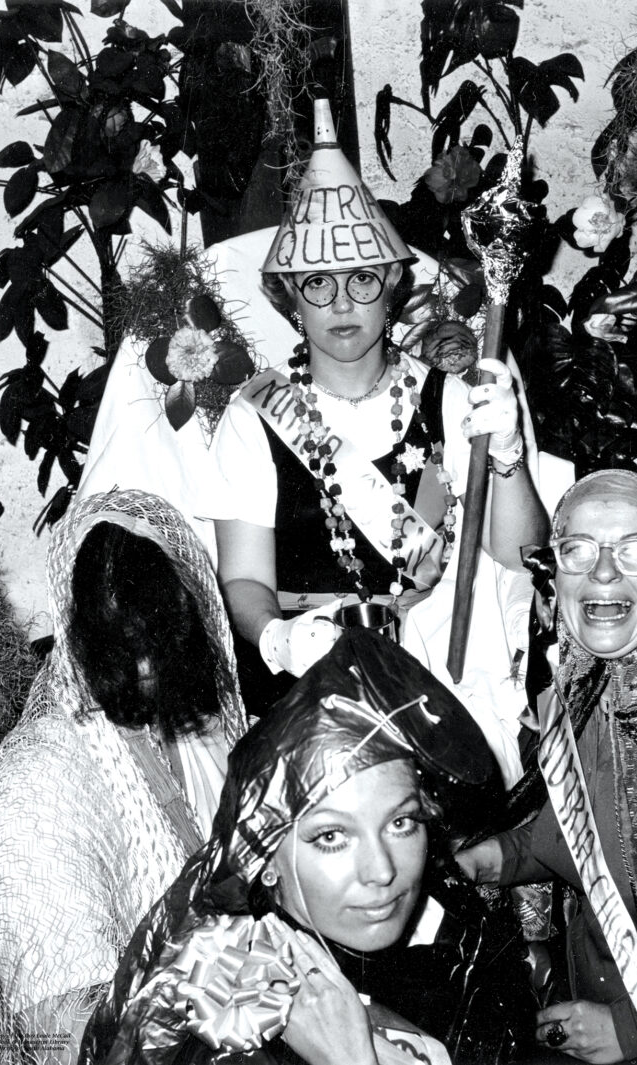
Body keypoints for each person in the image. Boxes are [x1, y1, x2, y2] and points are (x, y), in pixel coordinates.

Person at [209, 97, 550, 746]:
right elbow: (245, 579)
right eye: (318, 283)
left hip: (438, 688)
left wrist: (506, 452)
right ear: (291, 297)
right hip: (312, 692)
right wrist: (277, 637)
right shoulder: (255, 418)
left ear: (392, 285)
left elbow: (520, 553)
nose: (342, 302)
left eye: (362, 278)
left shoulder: (453, 399)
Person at [79, 628, 538, 1065]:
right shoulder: (236, 1011)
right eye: (332, 837)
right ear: (264, 857)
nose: (381, 871)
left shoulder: (456, 927)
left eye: (401, 823)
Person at [0, 490, 247, 1065]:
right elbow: (68, 1039)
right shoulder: (29, 790)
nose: (147, 668)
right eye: (122, 645)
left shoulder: (202, 729)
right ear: (81, 633)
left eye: (163, 641)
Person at [456, 469, 637, 1063]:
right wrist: (493, 859)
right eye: (578, 549)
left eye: (635, 550)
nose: (603, 570)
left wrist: (635, 1030)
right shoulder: (575, 694)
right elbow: (570, 837)